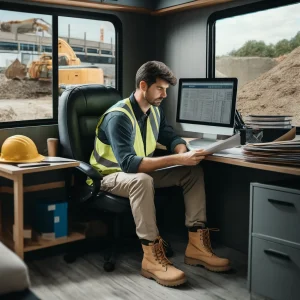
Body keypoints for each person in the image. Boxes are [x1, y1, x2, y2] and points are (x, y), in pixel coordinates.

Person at [89, 61, 230, 287]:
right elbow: (128, 164)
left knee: (192, 172)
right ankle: (151, 259)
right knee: (142, 180)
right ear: (143, 85)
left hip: (136, 174)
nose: (164, 95)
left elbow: (171, 137)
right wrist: (176, 158)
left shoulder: (154, 111)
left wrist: (182, 152)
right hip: (108, 176)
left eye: (166, 89)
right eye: (160, 89)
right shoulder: (119, 117)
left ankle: (197, 247)